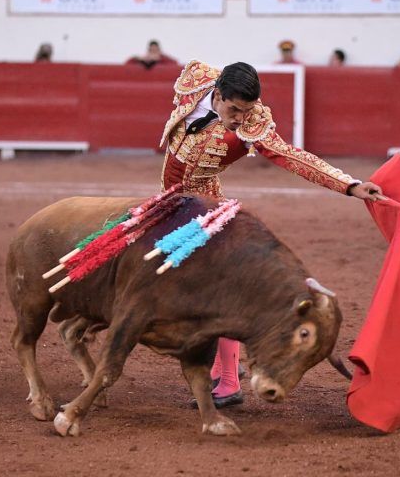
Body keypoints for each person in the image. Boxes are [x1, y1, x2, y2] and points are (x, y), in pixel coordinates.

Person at [160, 60, 383, 408]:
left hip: (204, 206)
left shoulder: (254, 124)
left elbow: (294, 157)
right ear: (217, 94)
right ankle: (225, 367)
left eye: (246, 111)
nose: (240, 119)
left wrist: (349, 185)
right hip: (172, 202)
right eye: (234, 110)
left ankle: (228, 381)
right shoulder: (197, 78)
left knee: (214, 290)